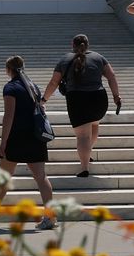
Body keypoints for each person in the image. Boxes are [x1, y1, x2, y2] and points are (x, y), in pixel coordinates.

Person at [43, 34, 123, 178]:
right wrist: (116, 96)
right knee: (94, 126)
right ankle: (88, 154)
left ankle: (84, 167)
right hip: (99, 98)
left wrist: (44, 99)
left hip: (78, 99)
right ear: (87, 44)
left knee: (83, 137)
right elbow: (111, 76)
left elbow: (54, 82)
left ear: (72, 44)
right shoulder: (98, 57)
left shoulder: (65, 59)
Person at [0, 56, 55, 231]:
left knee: (4, 176)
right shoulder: (33, 86)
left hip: (17, 137)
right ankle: (50, 217)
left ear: (9, 70)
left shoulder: (11, 88)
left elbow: (9, 116)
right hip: (35, 137)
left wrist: (3, 142)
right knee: (41, 177)